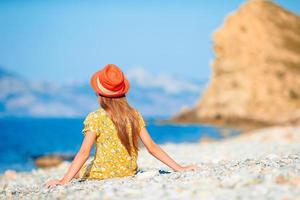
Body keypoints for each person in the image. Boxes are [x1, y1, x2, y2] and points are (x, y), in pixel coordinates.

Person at [46, 64, 198, 188]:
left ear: (100, 94)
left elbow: (84, 153)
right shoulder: (134, 115)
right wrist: (179, 168)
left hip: (102, 173)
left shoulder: (95, 117)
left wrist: (63, 181)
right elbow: (152, 147)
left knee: (77, 171)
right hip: (128, 171)